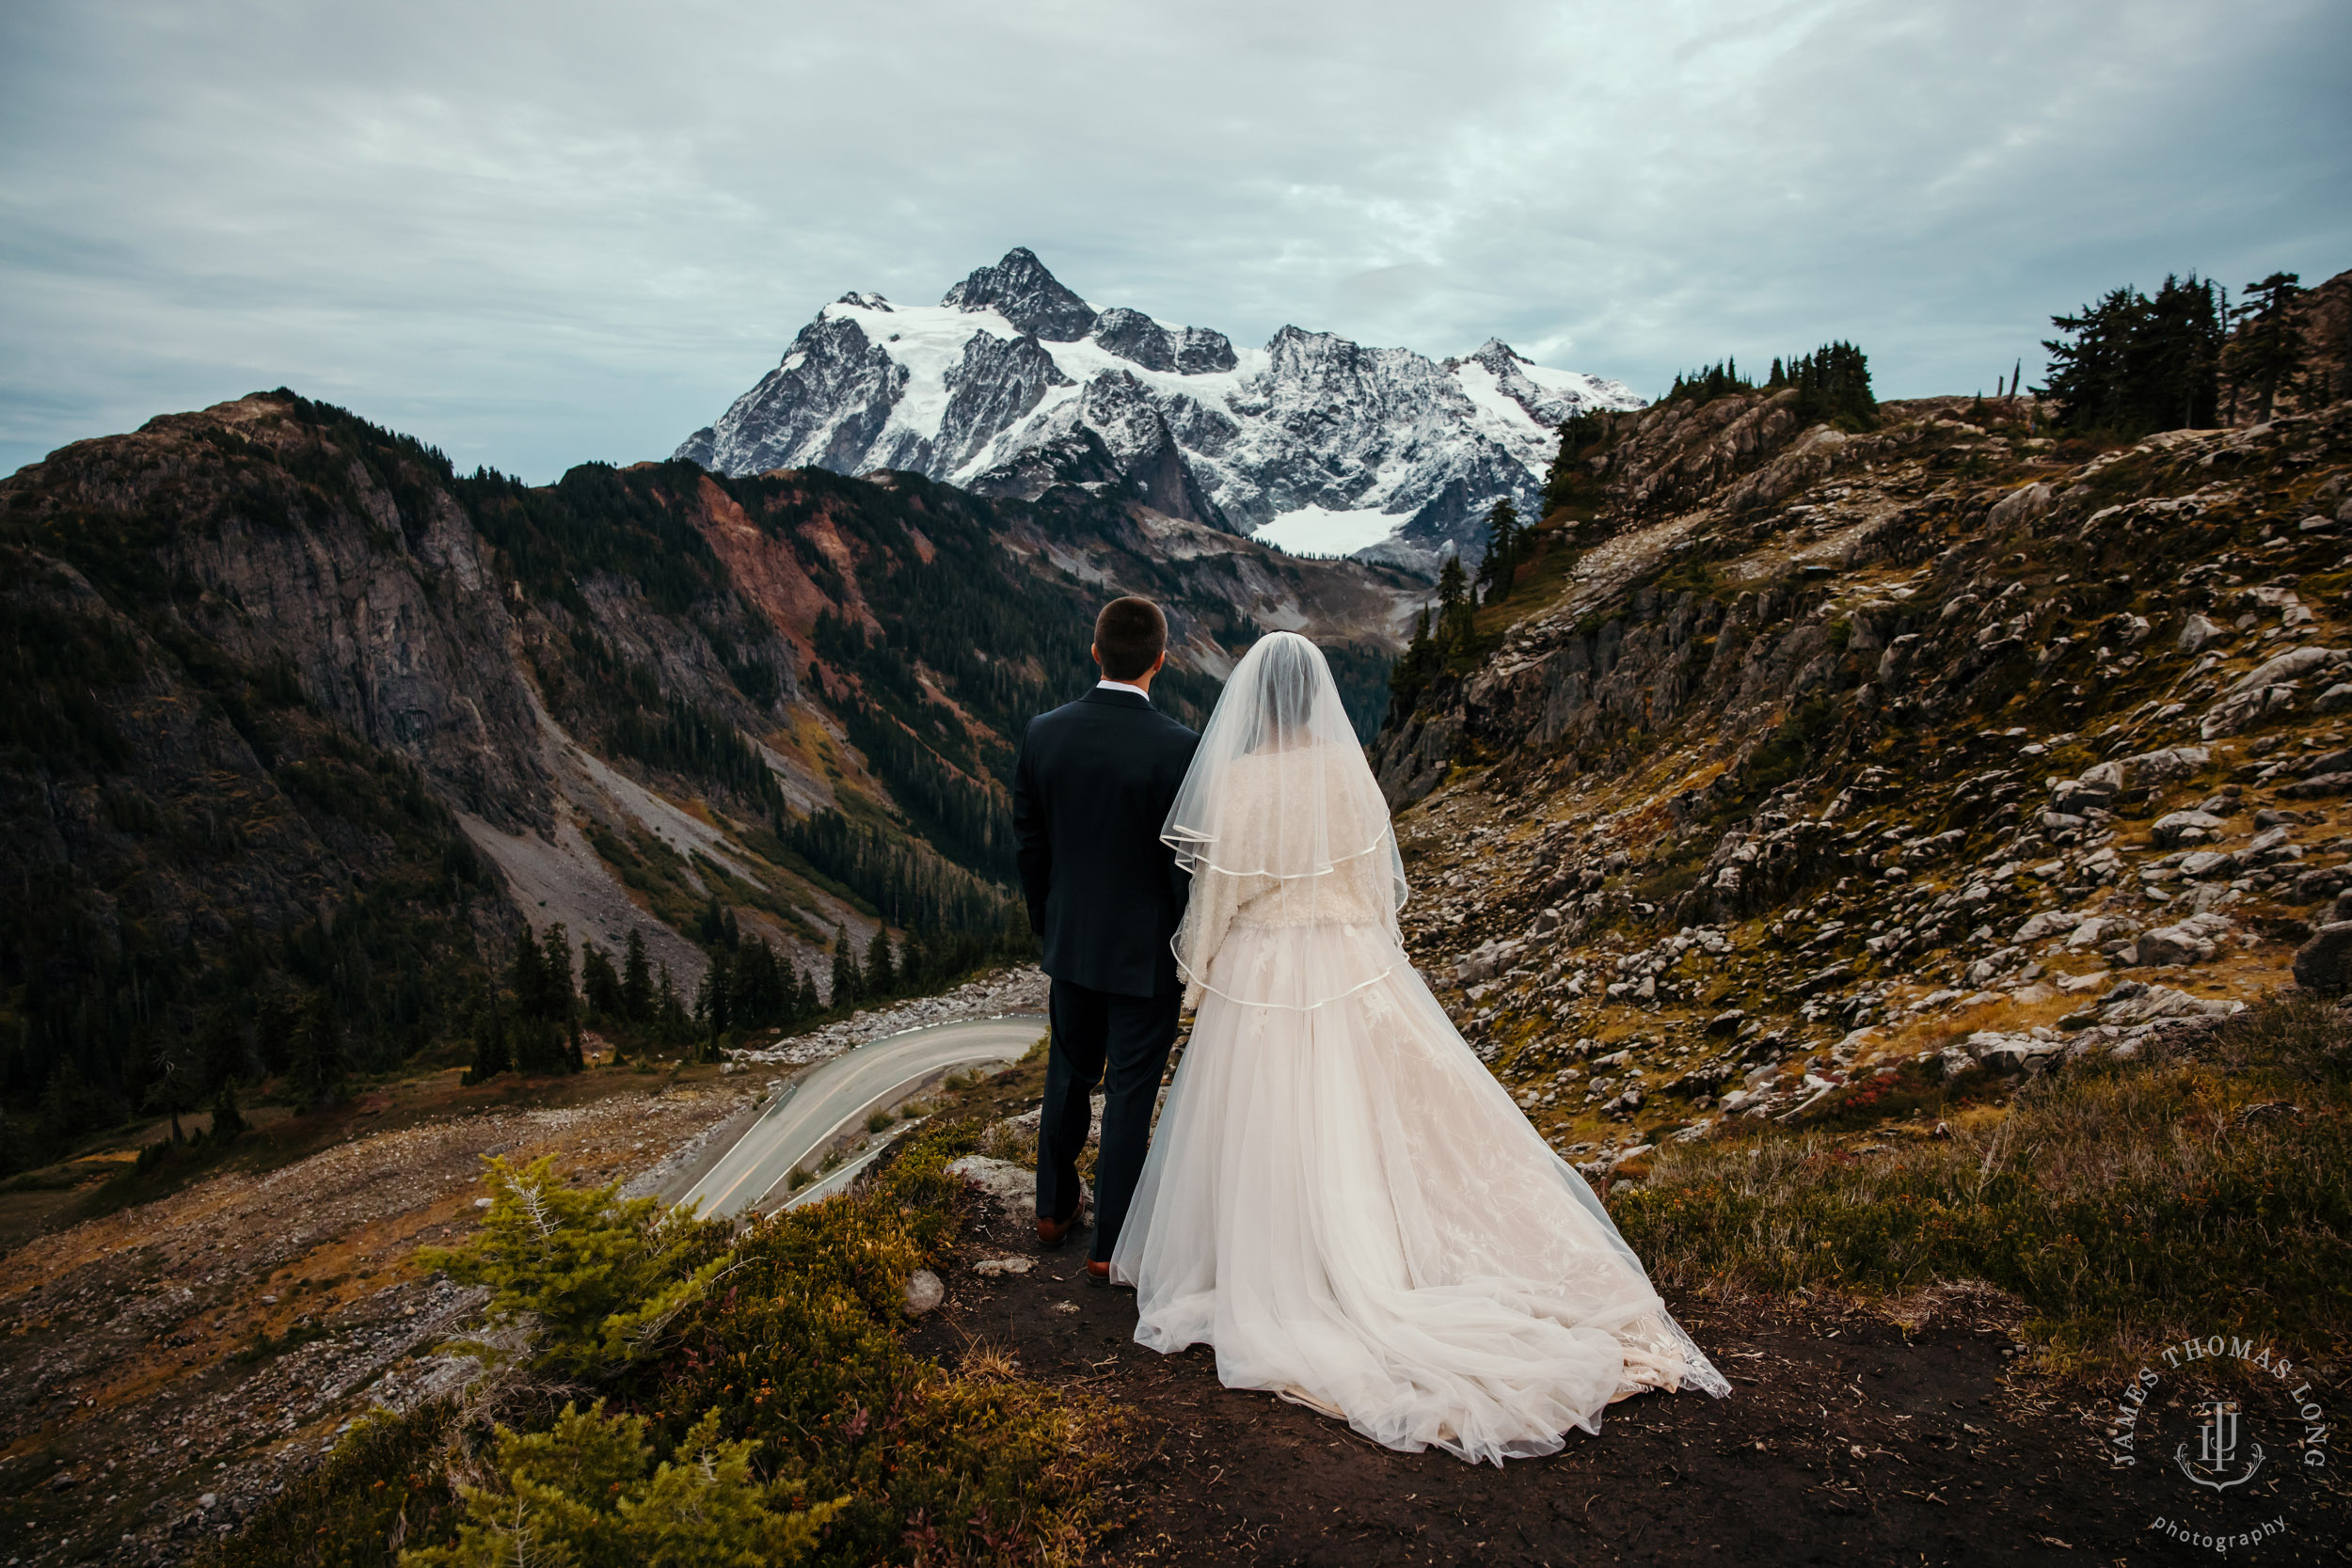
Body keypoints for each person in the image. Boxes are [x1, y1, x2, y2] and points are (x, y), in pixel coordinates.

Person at [1110, 631, 1728, 1464]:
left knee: (1267, 1117)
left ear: (1256, 701)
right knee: (1362, 1112)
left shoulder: (1240, 781)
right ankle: (1370, 1248)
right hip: (1349, 958)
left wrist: (1198, 980)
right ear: (1316, 696)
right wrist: (1368, 954)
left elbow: (1217, 897)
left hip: (1264, 967)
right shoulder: (1346, 773)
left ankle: (1274, 1256)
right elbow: (1374, 889)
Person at [1012, 596, 1200, 1284]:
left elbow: (1030, 843)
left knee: (1068, 1074)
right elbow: (1185, 865)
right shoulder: (1181, 748)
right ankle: (1110, 1246)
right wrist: (1189, 945)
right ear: (1160, 659)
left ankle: (1052, 1211)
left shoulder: (1043, 732)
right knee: (1129, 1093)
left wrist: (1049, 918)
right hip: (1147, 954)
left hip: (1072, 938)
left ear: (1095, 653)